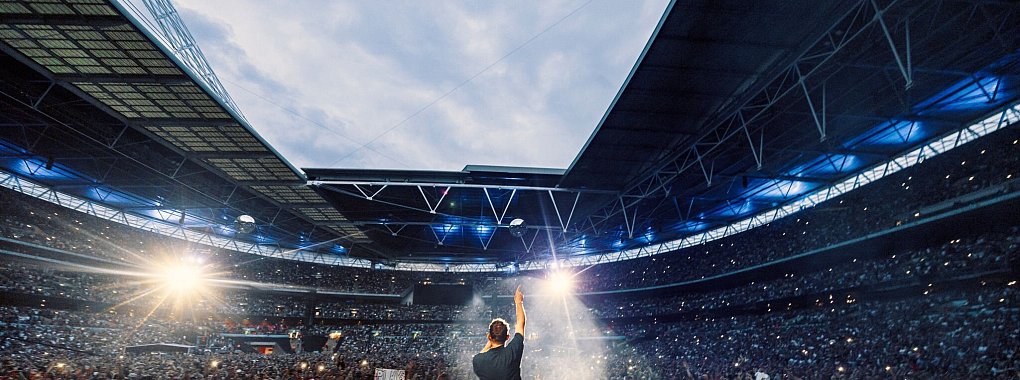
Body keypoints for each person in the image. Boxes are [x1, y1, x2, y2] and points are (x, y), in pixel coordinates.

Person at [472, 285, 526, 380]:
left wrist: (490, 339)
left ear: (489, 337)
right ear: (507, 337)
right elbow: (521, 323)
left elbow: (481, 354)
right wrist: (519, 302)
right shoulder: (513, 352)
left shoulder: (478, 361)